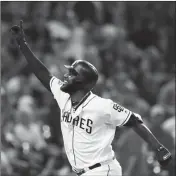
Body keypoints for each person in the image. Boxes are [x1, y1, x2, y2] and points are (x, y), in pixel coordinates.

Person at [10, 20, 172, 176]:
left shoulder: (102, 106)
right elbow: (42, 73)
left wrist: (158, 148)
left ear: (81, 82)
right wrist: (23, 45)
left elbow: (134, 121)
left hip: (102, 170)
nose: (66, 75)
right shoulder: (63, 95)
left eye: (72, 74)